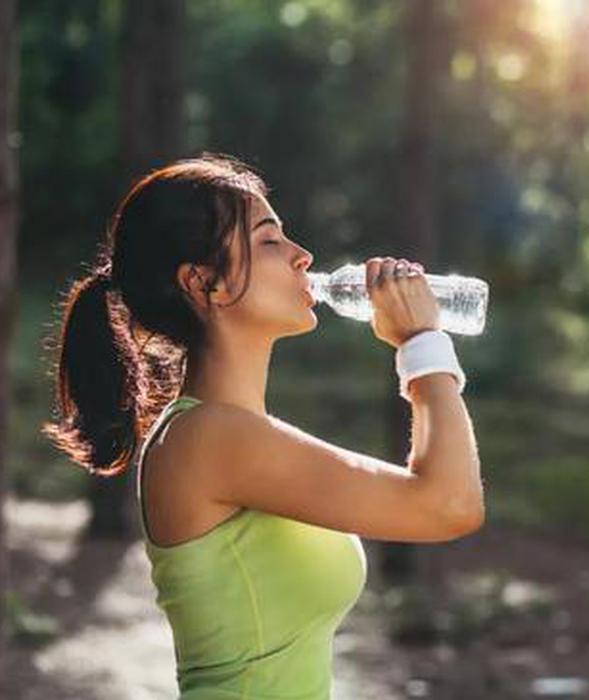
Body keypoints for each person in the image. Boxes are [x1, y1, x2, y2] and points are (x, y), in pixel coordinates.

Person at [41, 152, 484, 699]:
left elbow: (436, 498)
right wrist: (421, 344)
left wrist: (424, 348)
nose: (303, 257)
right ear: (206, 284)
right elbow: (449, 505)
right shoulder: (212, 439)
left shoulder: (237, 434)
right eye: (270, 240)